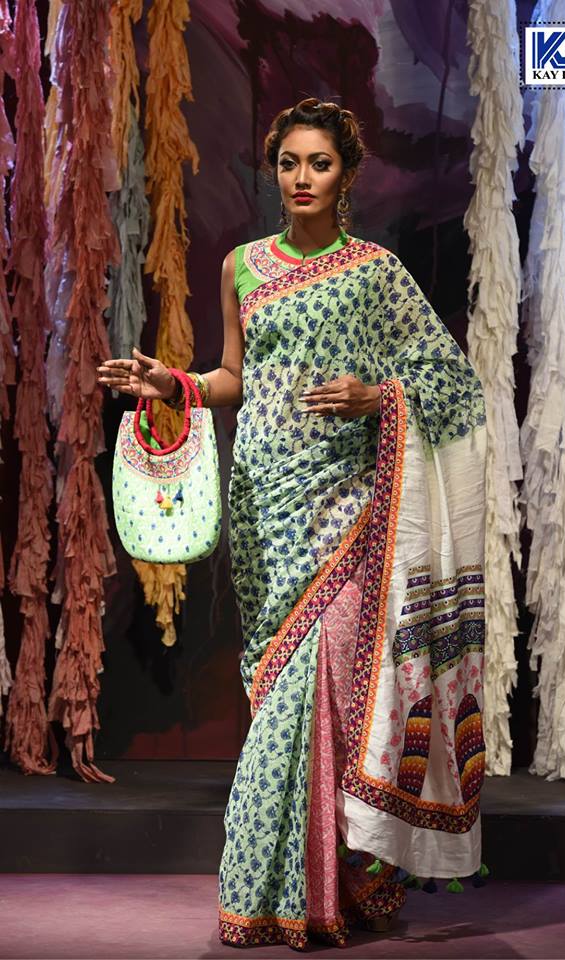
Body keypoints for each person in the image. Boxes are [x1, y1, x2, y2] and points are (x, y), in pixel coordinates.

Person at [98, 98, 488, 951]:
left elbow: (453, 384)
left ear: (346, 175)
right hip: (265, 502)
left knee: (333, 688)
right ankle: (293, 888)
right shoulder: (242, 265)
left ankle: (335, 887)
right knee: (281, 684)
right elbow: (235, 376)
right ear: (273, 171)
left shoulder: (377, 273)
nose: (302, 178)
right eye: (288, 163)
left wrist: (377, 396)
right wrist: (174, 385)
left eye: (319, 163)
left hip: (348, 502)